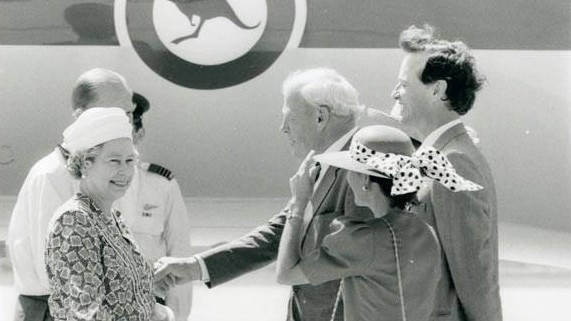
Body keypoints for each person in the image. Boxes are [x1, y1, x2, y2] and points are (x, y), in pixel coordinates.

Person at [154, 68, 376, 321]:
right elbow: (277, 235)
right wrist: (196, 266)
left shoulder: (360, 168)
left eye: (290, 118)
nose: (283, 128)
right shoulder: (319, 162)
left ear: (320, 117)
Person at [278, 125, 484, 321]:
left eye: (351, 170)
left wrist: (298, 203)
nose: (348, 178)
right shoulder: (425, 232)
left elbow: (286, 273)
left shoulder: (364, 240)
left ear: (366, 181)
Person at [391, 24, 502, 320]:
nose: (394, 93)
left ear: (437, 90)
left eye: (403, 84)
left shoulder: (452, 162)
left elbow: (476, 282)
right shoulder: (443, 153)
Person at [7, 68, 134, 321]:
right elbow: (57, 274)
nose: (126, 122)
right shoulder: (52, 176)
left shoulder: (109, 172)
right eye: (115, 113)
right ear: (80, 116)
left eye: (129, 113)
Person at [45, 107, 172, 320]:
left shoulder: (114, 218)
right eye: (114, 161)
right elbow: (83, 314)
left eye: (130, 161)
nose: (124, 171)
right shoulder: (74, 221)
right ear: (86, 164)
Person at [114, 93, 193, 321]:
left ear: (139, 134)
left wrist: (178, 315)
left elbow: (179, 252)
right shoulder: (86, 185)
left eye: (126, 135)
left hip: (151, 307)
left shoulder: (162, 185)